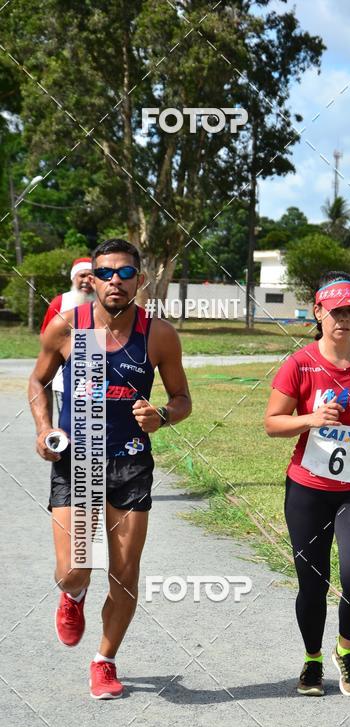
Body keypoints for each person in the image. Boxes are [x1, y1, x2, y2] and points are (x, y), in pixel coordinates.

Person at [28, 238, 192, 699]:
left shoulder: (158, 335)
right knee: (75, 568)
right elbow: (38, 380)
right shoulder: (67, 326)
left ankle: (104, 660)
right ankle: (74, 595)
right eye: (106, 273)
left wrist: (162, 415)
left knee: (124, 574)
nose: (115, 281)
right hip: (77, 460)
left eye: (125, 273)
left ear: (140, 280)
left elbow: (183, 400)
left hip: (130, 464)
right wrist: (43, 428)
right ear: (92, 279)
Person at [264, 271, 350, 701]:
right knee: (312, 582)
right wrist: (310, 419)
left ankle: (347, 650)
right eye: (334, 310)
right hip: (307, 489)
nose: (343, 318)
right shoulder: (299, 364)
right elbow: (272, 424)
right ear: (318, 312)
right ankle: (313, 659)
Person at [40, 257, 96, 416]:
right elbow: (45, 336)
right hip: (64, 378)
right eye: (82, 276)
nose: (86, 280)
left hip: (97, 377)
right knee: (69, 426)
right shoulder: (60, 302)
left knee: (93, 423)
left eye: (91, 276)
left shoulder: (104, 302)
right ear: (73, 278)